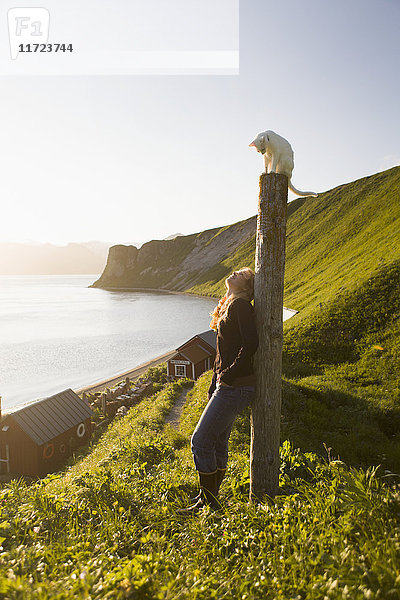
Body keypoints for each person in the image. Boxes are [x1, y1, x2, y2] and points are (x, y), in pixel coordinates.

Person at [177, 267, 259, 515]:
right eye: (236, 271)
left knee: (200, 441)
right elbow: (225, 350)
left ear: (247, 287)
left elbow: (251, 343)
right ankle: (209, 500)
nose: (235, 273)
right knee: (218, 443)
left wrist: (228, 374)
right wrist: (216, 380)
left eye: (242, 274)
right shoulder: (230, 304)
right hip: (230, 386)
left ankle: (209, 504)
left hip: (236, 386)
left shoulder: (240, 306)